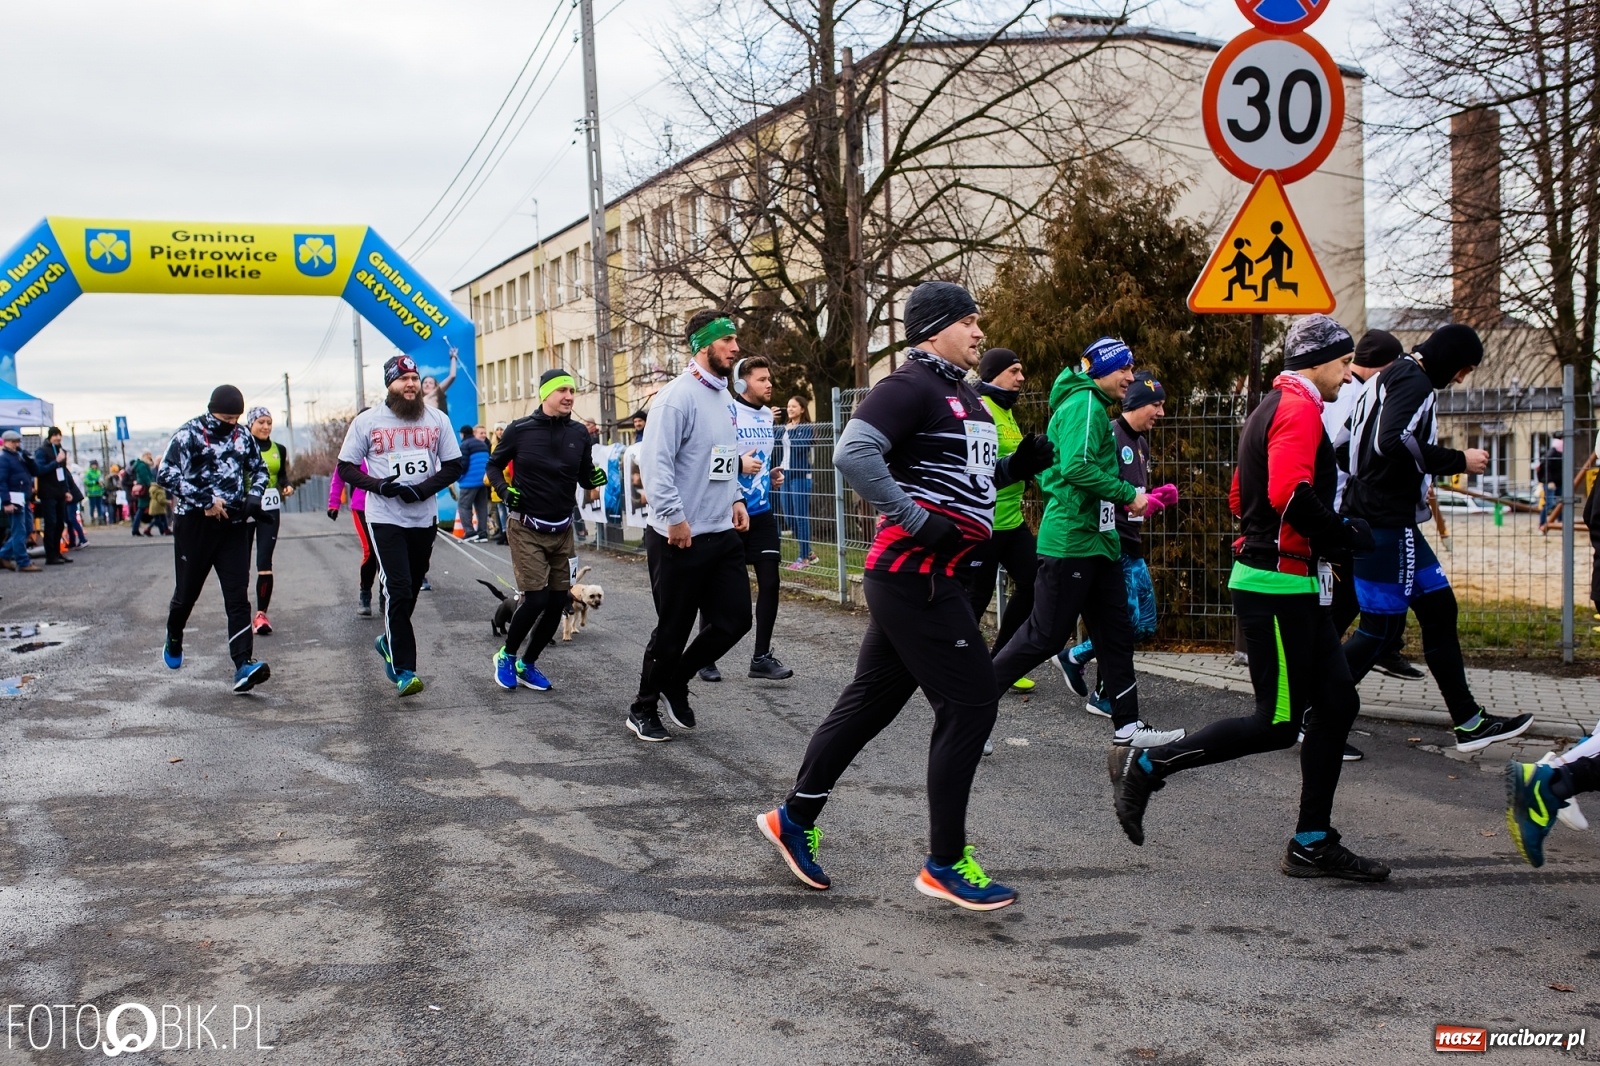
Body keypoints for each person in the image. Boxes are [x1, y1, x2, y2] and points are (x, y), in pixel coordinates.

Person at [757, 281, 1054, 911]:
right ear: (935, 328)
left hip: (933, 574)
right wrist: (917, 521)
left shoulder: (964, 394)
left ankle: (794, 816)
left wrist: (1014, 468)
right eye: (969, 322)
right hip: (915, 573)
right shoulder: (909, 385)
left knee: (871, 703)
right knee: (972, 704)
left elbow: (959, 478)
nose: (980, 333)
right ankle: (945, 863)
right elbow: (853, 453)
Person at [1111, 315, 1390, 881]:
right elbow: (1288, 491)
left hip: (1293, 581)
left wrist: (1283, 542)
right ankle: (1149, 763)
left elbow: (1243, 494)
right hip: (1277, 587)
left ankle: (1311, 842)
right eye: (1342, 363)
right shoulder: (1299, 409)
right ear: (1317, 361)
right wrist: (1339, 533)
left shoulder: (1271, 404)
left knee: (1338, 703)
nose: (1347, 375)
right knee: (1278, 723)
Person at [1340, 323, 1533, 752]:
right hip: (1386, 522)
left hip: (1379, 516)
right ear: (1449, 359)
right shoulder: (1416, 382)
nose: (1462, 379)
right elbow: (1392, 441)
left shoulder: (1386, 378)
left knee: (1441, 610)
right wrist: (1457, 459)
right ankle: (1311, 711)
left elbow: (1344, 446)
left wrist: (1384, 481)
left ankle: (1469, 722)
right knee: (1380, 630)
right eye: (1463, 369)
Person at [990, 338, 1186, 750]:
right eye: (1124, 370)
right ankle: (969, 702)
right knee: (1045, 637)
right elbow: (1076, 467)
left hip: (1099, 543)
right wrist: (1127, 493)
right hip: (1071, 545)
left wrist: (1135, 500)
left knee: (1116, 634)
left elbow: (1056, 471)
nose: (1131, 378)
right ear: (1101, 371)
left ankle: (1128, 725)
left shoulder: (1091, 404)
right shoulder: (1085, 405)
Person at [627, 310, 755, 742]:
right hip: (677, 535)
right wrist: (674, 518)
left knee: (736, 619)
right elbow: (654, 465)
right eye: (729, 341)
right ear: (705, 345)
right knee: (673, 626)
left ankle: (675, 679)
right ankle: (642, 708)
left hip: (720, 529)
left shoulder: (723, 398)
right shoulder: (674, 398)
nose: (736, 349)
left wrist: (736, 496)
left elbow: (722, 456)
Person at [337, 356, 464, 696]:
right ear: (389, 385)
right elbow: (346, 467)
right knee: (398, 585)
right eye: (402, 379)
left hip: (423, 517)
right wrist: (381, 486)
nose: (410, 384)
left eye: (414, 377)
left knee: (412, 585)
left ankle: (388, 640)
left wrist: (422, 490)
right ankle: (404, 669)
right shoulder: (368, 422)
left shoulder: (436, 419)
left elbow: (454, 465)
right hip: (384, 516)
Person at [1056, 372, 1178, 714]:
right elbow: (1099, 487)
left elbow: (1132, 496)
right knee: (1126, 624)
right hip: (1113, 544)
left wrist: (1155, 498)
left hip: (1132, 544)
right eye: (1156, 404)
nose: (1161, 412)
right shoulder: (1111, 434)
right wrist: (1139, 501)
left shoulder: (1141, 442)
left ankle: (1085, 668)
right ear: (1137, 403)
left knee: (1145, 624)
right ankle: (1093, 680)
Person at [487, 368, 608, 692]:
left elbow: (584, 475)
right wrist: (503, 487)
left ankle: (528, 664)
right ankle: (507, 655)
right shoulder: (520, 430)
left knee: (557, 602)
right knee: (537, 598)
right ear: (546, 394)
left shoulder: (580, 434)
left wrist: (592, 479)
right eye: (562, 390)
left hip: (563, 530)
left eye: (572, 390)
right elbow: (493, 465)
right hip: (526, 527)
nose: (570, 396)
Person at [1324, 329, 1423, 690]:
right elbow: (1347, 450)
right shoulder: (1360, 394)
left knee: (1360, 599)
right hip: (1351, 512)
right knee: (1346, 603)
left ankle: (1379, 648)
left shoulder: (1360, 392)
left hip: (1352, 510)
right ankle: (1318, 686)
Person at [156, 384, 272, 692]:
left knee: (237, 596)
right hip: (195, 524)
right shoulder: (188, 434)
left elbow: (260, 469)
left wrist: (253, 496)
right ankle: (174, 633)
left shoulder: (242, 436)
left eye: (236, 418)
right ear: (211, 412)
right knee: (187, 593)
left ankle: (243, 664)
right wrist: (205, 499)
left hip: (232, 523)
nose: (231, 424)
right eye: (226, 418)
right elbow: (165, 475)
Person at [698, 356, 794, 684]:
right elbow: (713, 457)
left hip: (762, 512)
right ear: (742, 383)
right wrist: (739, 465)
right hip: (729, 512)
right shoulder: (728, 411)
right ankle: (705, 657)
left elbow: (760, 458)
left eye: (770, 379)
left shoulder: (767, 415)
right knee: (716, 589)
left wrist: (770, 474)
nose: (769, 385)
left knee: (770, 582)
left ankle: (761, 658)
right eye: (762, 379)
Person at [964, 349, 1043, 692]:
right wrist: (1019, 463)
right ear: (993, 374)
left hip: (1011, 521)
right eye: (1014, 371)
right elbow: (977, 471)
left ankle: (1001, 662)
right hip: (984, 523)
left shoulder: (1007, 412)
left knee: (1034, 583)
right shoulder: (981, 410)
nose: (1021, 377)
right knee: (975, 599)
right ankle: (960, 666)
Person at [246, 407, 293, 635]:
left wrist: (286, 485)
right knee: (240, 563)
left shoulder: (279, 449)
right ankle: (238, 611)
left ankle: (261, 614)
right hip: (244, 510)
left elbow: (281, 474)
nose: (265, 426)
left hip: (270, 510)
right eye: (261, 422)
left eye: (269, 422)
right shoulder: (241, 448)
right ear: (251, 424)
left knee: (264, 562)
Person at [328, 425, 381, 617]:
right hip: (361, 507)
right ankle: (365, 593)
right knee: (370, 550)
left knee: (386, 551)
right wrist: (333, 503)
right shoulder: (355, 449)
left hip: (386, 507)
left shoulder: (386, 446)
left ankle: (386, 595)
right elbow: (339, 476)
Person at [777, 397, 817, 569]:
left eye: (794, 406)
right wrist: (771, 420)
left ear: (802, 409)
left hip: (800, 477)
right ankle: (808, 551)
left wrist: (790, 430)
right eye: (788, 406)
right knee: (788, 516)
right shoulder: (783, 428)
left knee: (801, 517)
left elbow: (801, 446)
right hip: (784, 475)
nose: (790, 409)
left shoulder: (806, 428)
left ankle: (804, 558)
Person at [33, 427, 75, 565]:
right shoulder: (42, 451)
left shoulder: (61, 450)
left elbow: (63, 473)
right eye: (55, 436)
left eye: (59, 436)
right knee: (50, 524)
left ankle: (58, 552)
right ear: (50, 436)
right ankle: (50, 555)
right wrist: (56, 461)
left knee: (59, 524)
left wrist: (66, 490)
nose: (58, 438)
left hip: (60, 492)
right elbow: (39, 470)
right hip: (48, 493)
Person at [0, 431, 40, 572]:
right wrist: (6, 502)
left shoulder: (19, 456)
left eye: (18, 441)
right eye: (14, 442)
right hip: (14, 498)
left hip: (23, 497)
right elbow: (2, 482)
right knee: (19, 531)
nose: (17, 444)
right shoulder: (4, 459)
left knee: (27, 528)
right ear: (7, 442)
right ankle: (23, 561)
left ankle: (4, 554)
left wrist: (29, 459)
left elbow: (36, 471)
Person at [457, 424, 491, 542]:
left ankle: (470, 532)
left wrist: (459, 477)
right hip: (482, 481)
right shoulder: (482, 444)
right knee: (481, 507)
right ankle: (482, 533)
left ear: (463, 434)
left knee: (463, 506)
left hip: (469, 481)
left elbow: (463, 464)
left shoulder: (464, 445)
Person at [1536, 437, 1564, 525]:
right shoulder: (1552, 453)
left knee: (1561, 503)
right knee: (1549, 503)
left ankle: (1560, 521)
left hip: (1559, 482)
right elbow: (1546, 468)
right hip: (1550, 483)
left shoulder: (1561, 452)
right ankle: (1542, 523)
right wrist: (1550, 481)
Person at [84, 460, 106, 525]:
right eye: (93, 464)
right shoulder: (88, 472)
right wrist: (95, 482)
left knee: (99, 506)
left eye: (95, 464)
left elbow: (101, 479)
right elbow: (86, 482)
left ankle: (100, 519)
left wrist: (102, 484)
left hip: (99, 492)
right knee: (92, 507)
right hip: (92, 493)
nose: (94, 466)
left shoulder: (98, 472)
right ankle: (92, 519)